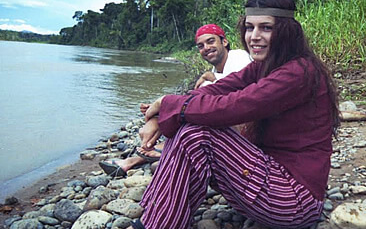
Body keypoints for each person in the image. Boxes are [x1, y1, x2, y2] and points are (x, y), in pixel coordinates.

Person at [96, 0, 341, 229]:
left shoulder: (298, 73)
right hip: (269, 181)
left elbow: (233, 106)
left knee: (197, 133)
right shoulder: (265, 66)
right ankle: (151, 222)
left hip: (294, 201)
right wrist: (161, 113)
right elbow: (218, 90)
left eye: (266, 28)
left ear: (286, 31)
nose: (254, 36)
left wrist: (167, 104)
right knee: (192, 121)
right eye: (249, 27)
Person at [98, 24, 252, 177]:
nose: (206, 48)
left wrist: (206, 77)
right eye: (201, 45)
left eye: (211, 41)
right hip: (231, 126)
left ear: (224, 42)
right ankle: (140, 158)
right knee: (184, 111)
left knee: (192, 115)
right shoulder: (216, 69)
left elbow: (235, 89)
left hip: (248, 129)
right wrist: (161, 109)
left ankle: (146, 155)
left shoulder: (238, 56)